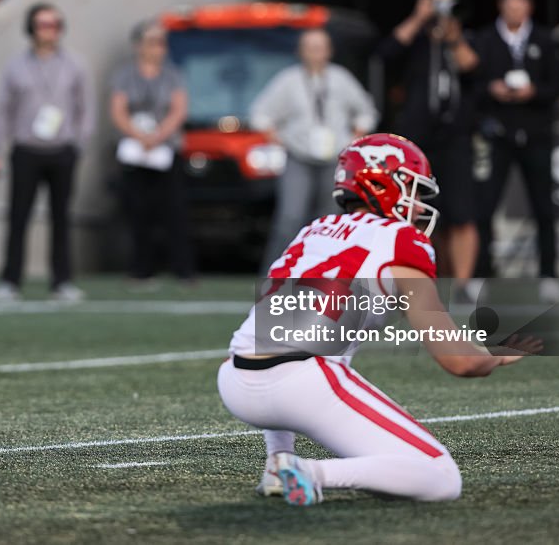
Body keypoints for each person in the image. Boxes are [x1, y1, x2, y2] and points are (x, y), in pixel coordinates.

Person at [217, 133, 540, 506]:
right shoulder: (403, 240)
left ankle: (277, 460)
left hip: (236, 380)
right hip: (301, 385)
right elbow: (461, 361)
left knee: (306, 344)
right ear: (383, 184)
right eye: (414, 190)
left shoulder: (314, 229)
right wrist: (496, 352)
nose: (419, 205)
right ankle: (311, 471)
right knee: (441, 476)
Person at [378, 0, 479, 299]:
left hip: (456, 135)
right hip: (417, 137)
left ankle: (463, 283)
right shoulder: (415, 40)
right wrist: (420, 17)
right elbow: (385, 54)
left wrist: (452, 35)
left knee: (462, 211)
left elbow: (473, 68)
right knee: (412, 209)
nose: (442, 9)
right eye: (437, 2)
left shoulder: (461, 38)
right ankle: (414, 278)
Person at [0, 2, 93, 301]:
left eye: (55, 24)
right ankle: (10, 280)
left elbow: (86, 109)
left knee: (62, 217)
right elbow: (3, 111)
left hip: (62, 151)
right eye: (44, 24)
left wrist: (78, 144)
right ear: (31, 29)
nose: (51, 30)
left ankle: (62, 281)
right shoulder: (16, 66)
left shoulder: (75, 65)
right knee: (18, 216)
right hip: (26, 150)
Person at [251, 28, 378, 273]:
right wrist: (275, 136)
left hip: (335, 160)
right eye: (310, 47)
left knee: (330, 219)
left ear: (329, 51)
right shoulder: (287, 80)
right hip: (299, 156)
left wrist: (356, 135)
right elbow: (261, 113)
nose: (315, 53)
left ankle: (321, 272)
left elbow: (366, 110)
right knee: (290, 216)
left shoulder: (341, 79)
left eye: (320, 47)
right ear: (300, 51)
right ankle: (276, 272)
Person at [472, 0, 559, 300]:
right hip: (498, 134)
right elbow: (472, 85)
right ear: (501, 4)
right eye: (511, 2)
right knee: (485, 206)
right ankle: (480, 272)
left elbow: (557, 87)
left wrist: (533, 91)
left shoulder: (544, 40)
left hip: (536, 134)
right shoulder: (484, 40)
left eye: (522, 2)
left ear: (529, 7)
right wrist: (492, 89)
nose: (516, 8)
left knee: (544, 207)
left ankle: (549, 274)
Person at [109, 19, 193, 283]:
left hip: (166, 151)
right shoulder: (124, 75)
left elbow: (179, 109)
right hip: (135, 152)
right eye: (152, 42)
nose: (158, 48)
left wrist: (159, 135)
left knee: (174, 210)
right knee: (137, 210)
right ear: (139, 46)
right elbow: (118, 110)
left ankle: (182, 268)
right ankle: (140, 269)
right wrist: (139, 136)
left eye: (161, 42)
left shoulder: (173, 74)